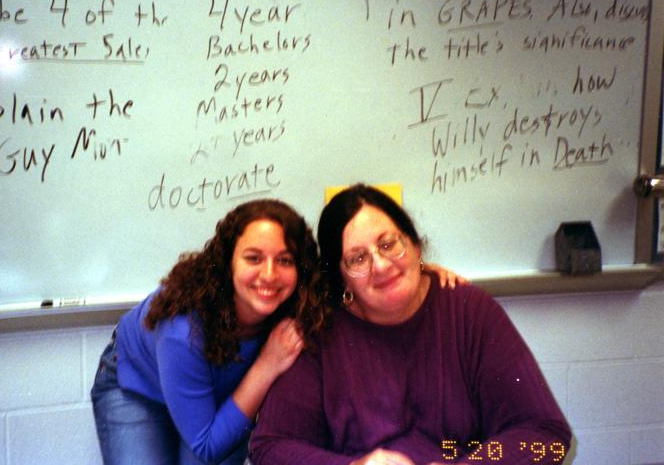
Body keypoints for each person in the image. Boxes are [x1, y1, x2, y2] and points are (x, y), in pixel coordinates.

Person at [91, 198, 463, 465]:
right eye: (253, 258)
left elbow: (355, 276)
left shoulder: (300, 295)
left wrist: (418, 270)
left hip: (224, 398)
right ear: (227, 261)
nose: (269, 275)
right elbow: (207, 446)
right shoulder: (182, 328)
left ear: (301, 268)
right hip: (140, 387)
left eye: (284, 260)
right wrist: (268, 363)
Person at [249, 184, 572, 465]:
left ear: (415, 245)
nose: (380, 265)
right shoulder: (320, 331)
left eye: (389, 244)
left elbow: (546, 436)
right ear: (341, 278)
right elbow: (270, 447)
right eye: (357, 259)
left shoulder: (469, 312)